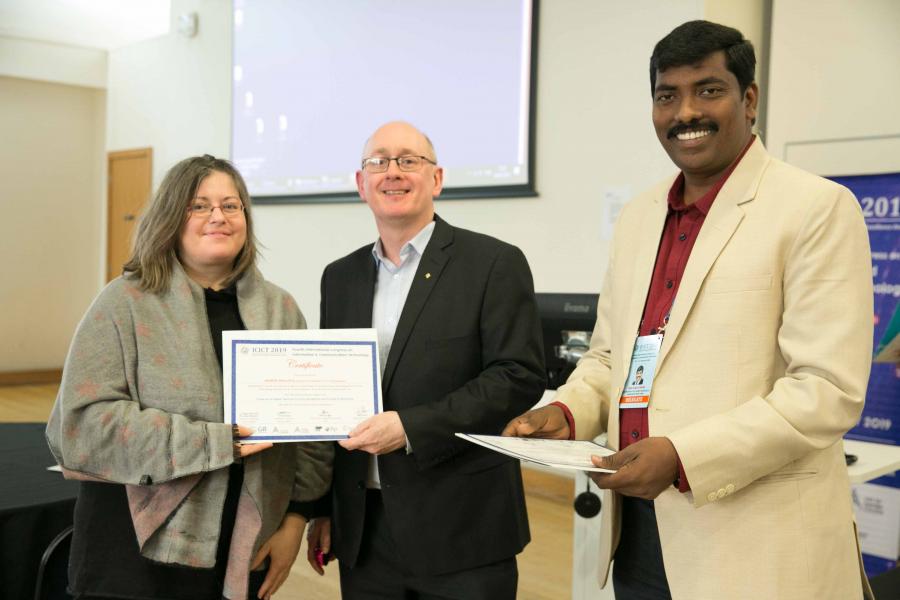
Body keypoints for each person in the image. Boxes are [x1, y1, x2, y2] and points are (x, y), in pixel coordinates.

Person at [504, 20, 874, 600]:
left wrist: (683, 456)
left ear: (748, 99)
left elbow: (825, 389)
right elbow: (610, 357)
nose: (685, 112)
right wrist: (569, 412)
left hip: (755, 539)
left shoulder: (816, 208)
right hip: (639, 529)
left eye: (708, 90)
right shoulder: (639, 217)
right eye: (666, 96)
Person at [46, 155, 333, 600]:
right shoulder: (122, 302)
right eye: (199, 206)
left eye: (231, 205)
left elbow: (311, 431)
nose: (218, 216)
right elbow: (79, 427)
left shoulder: (281, 309)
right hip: (131, 553)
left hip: (244, 544)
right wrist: (212, 442)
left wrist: (296, 520)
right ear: (169, 218)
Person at [305, 121, 546, 599]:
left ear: (436, 179)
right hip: (366, 531)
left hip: (463, 527)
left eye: (408, 160)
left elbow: (518, 376)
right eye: (379, 162)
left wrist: (411, 428)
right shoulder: (340, 277)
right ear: (361, 183)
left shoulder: (493, 263)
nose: (393, 172)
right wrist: (326, 508)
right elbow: (335, 393)